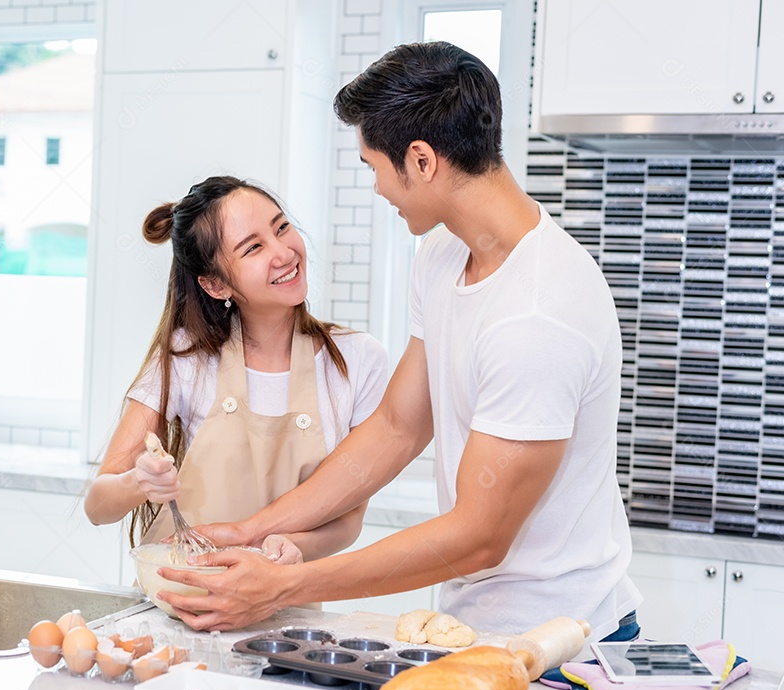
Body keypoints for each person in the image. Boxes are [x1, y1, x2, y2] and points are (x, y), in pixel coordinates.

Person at [158, 42, 643, 641]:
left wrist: (285, 585)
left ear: (420, 160)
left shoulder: (538, 314)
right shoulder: (443, 256)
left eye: (373, 167)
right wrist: (252, 530)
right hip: (473, 625)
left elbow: (480, 535)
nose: (379, 190)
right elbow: (398, 426)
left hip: (566, 640)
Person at [83, 176, 388, 565]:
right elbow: (98, 506)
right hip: (180, 602)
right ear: (215, 285)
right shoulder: (187, 357)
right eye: (254, 247)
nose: (283, 253)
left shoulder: (358, 360)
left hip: (288, 610)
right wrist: (138, 481)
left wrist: (293, 548)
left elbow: (348, 519)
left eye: (281, 227)